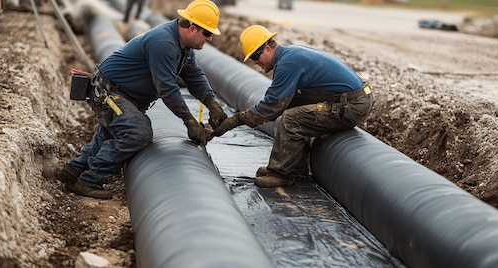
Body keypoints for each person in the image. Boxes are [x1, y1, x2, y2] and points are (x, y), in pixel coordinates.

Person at [57, 0, 227, 199]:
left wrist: (212, 104)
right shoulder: (164, 43)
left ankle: (73, 171)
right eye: (207, 33)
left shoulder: (184, 48)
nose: (210, 39)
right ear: (192, 28)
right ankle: (89, 180)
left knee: (109, 135)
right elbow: (167, 89)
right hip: (110, 93)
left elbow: (195, 77)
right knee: (137, 133)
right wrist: (189, 121)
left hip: (121, 94)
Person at [212, 25, 373, 188]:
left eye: (255, 56)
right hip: (346, 99)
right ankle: (296, 166)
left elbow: (271, 106)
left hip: (352, 105)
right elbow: (279, 102)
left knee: (292, 119)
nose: (255, 62)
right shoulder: (288, 55)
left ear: (267, 48)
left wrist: (234, 121)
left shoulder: (288, 64)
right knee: (292, 108)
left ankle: (283, 173)